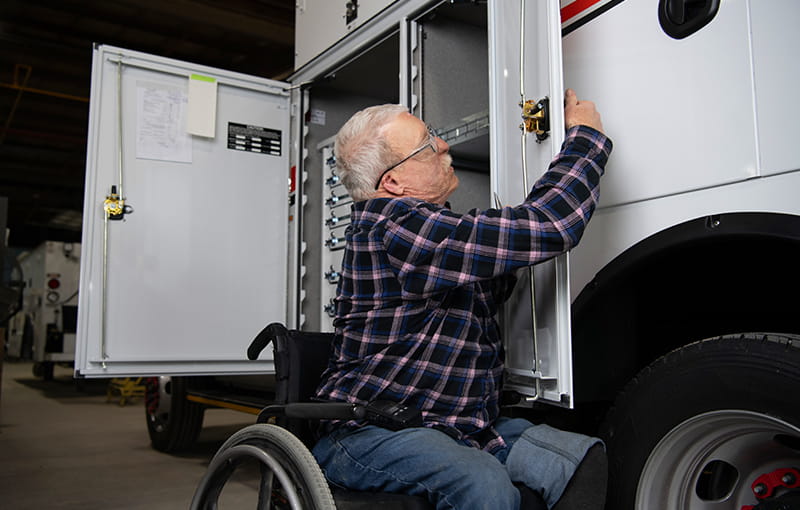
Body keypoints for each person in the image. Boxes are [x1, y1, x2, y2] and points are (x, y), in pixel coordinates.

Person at [312, 89, 613, 510]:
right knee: (482, 485)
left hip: (461, 426)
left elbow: (506, 256)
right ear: (393, 182)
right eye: (426, 144)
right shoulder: (394, 227)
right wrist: (583, 140)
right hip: (373, 432)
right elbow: (549, 226)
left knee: (578, 461)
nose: (444, 145)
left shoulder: (431, 232)